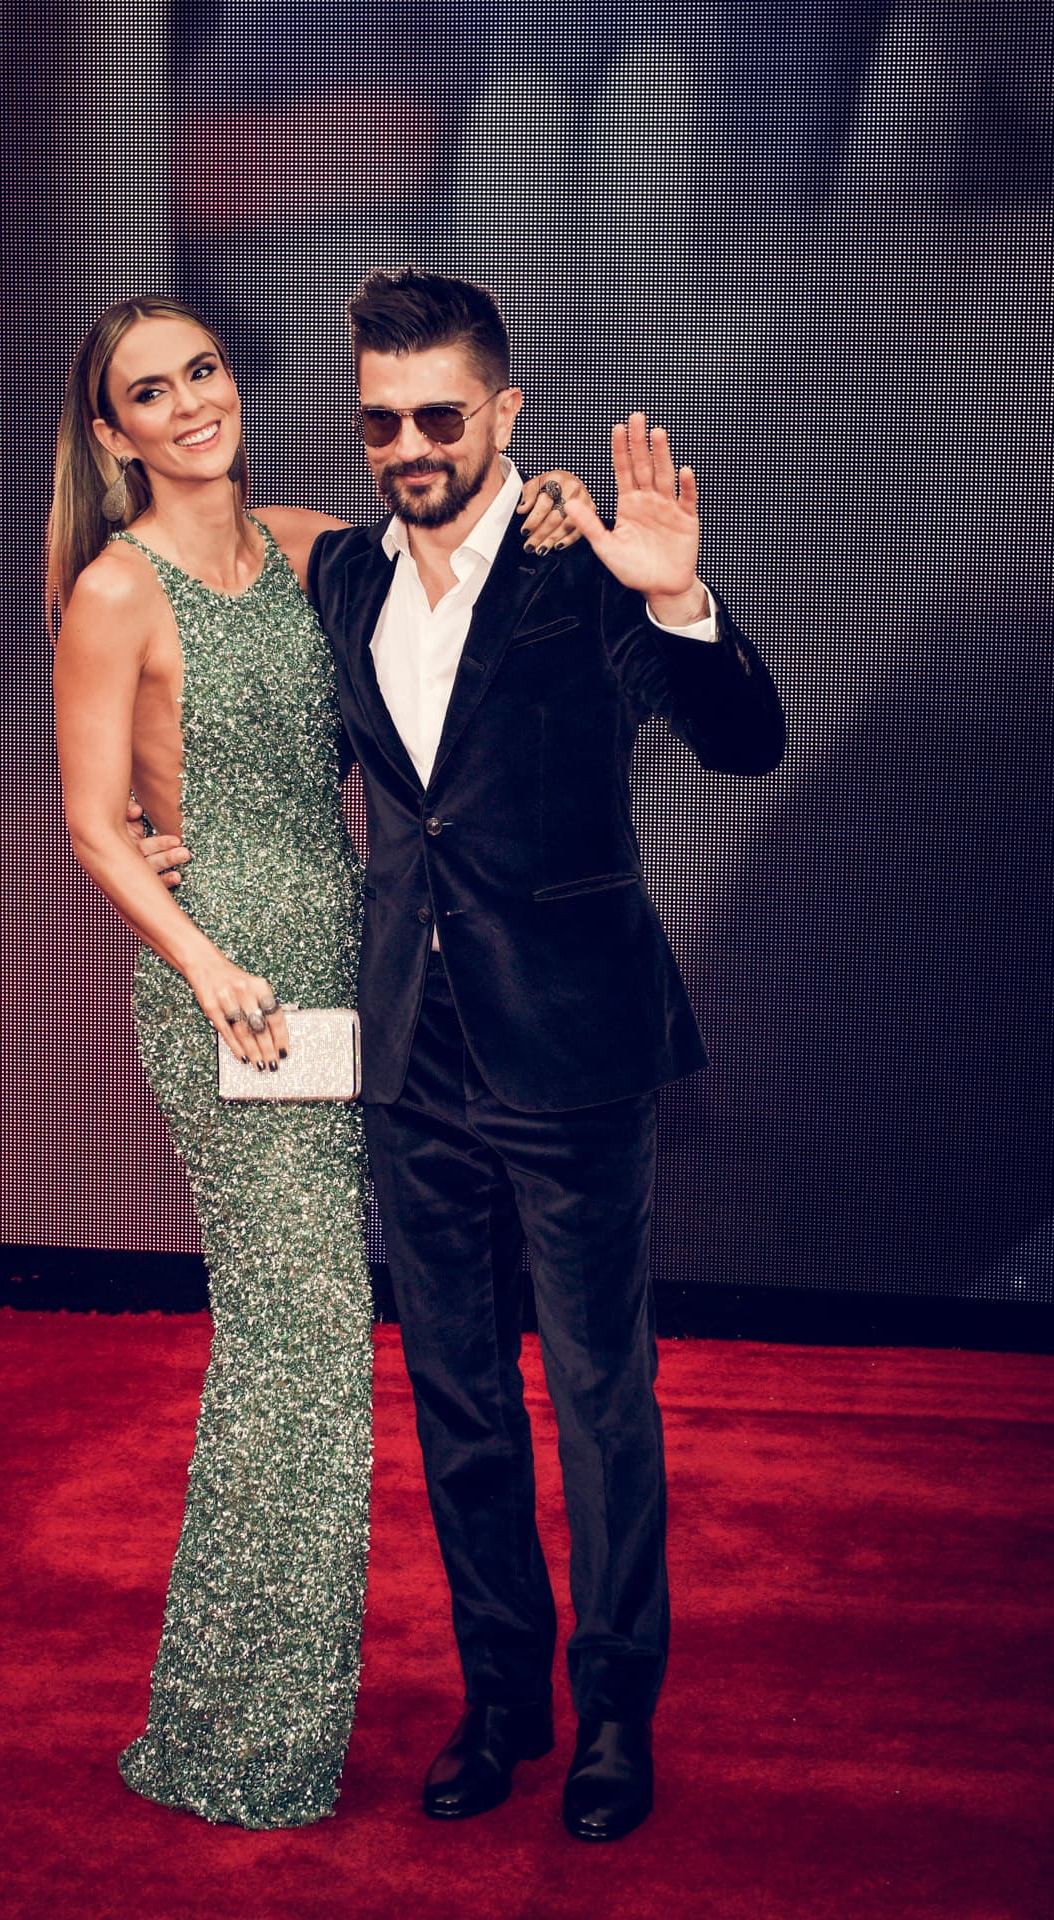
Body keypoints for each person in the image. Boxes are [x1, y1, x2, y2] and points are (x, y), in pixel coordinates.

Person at [49, 294, 586, 1828]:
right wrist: (212, 964)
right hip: (232, 1009)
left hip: (366, 991)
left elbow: (445, 595)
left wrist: (544, 504)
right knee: (295, 1354)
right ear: (114, 436)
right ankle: (241, 1740)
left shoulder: (307, 547)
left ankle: (262, 1706)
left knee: (325, 1363)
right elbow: (95, 824)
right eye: (150, 391)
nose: (190, 401)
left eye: (203, 369)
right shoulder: (113, 590)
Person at [305, 268, 787, 1842]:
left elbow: (744, 741)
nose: (411, 443)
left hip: (575, 1048)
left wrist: (680, 599)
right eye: (382, 419)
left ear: (505, 413)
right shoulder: (347, 586)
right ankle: (501, 1701)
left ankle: (611, 1721)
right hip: (411, 1056)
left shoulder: (586, 564)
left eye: (442, 413)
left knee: (599, 1396)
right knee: (455, 1395)